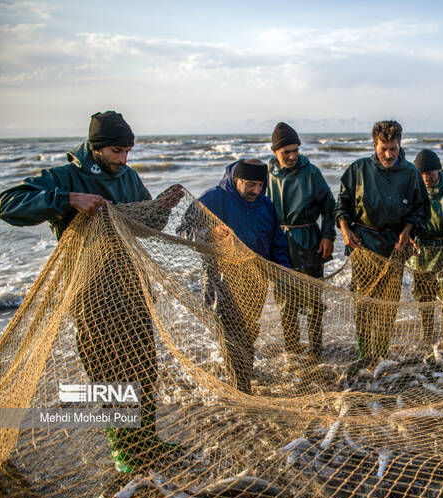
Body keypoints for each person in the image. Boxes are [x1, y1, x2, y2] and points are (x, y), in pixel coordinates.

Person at [0, 111, 184, 474]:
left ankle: (148, 441)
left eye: (128, 151)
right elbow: (8, 203)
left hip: (133, 286)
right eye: (116, 151)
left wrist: (161, 207)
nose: (124, 160)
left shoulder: (128, 177)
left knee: (144, 367)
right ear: (96, 148)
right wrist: (67, 199)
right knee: (109, 373)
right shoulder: (65, 176)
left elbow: (143, 227)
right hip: (92, 294)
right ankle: (125, 451)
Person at [180, 159, 290, 394]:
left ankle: (242, 375)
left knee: (248, 331)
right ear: (236, 180)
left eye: (261, 185)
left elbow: (277, 242)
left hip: (255, 279)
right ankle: (240, 386)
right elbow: (184, 231)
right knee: (231, 333)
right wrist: (210, 233)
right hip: (221, 280)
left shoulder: (266, 205)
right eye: (251, 185)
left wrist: (283, 273)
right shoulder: (213, 199)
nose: (256, 191)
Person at [335, 120, 428, 363]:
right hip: (364, 244)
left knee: (388, 306)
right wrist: (345, 230)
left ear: (400, 145)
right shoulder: (358, 169)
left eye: (393, 149)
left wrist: (408, 229)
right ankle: (364, 355)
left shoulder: (411, 173)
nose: (388, 154)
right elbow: (342, 205)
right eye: (383, 148)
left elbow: (420, 210)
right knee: (363, 304)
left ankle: (381, 354)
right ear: (374, 145)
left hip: (394, 248)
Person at [266, 122, 336, 358]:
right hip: (280, 247)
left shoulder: (311, 172)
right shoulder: (267, 175)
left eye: (295, 150)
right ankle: (293, 352)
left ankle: (316, 351)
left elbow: (329, 205)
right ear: (275, 151)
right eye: (287, 152)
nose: (292, 156)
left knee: (314, 302)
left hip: (309, 242)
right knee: (286, 304)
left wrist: (328, 235)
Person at [408, 149, 443, 349]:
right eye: (421, 174)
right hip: (420, 250)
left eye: (429, 172)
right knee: (423, 295)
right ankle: (427, 336)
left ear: (438, 169)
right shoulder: (413, 189)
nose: (426, 177)